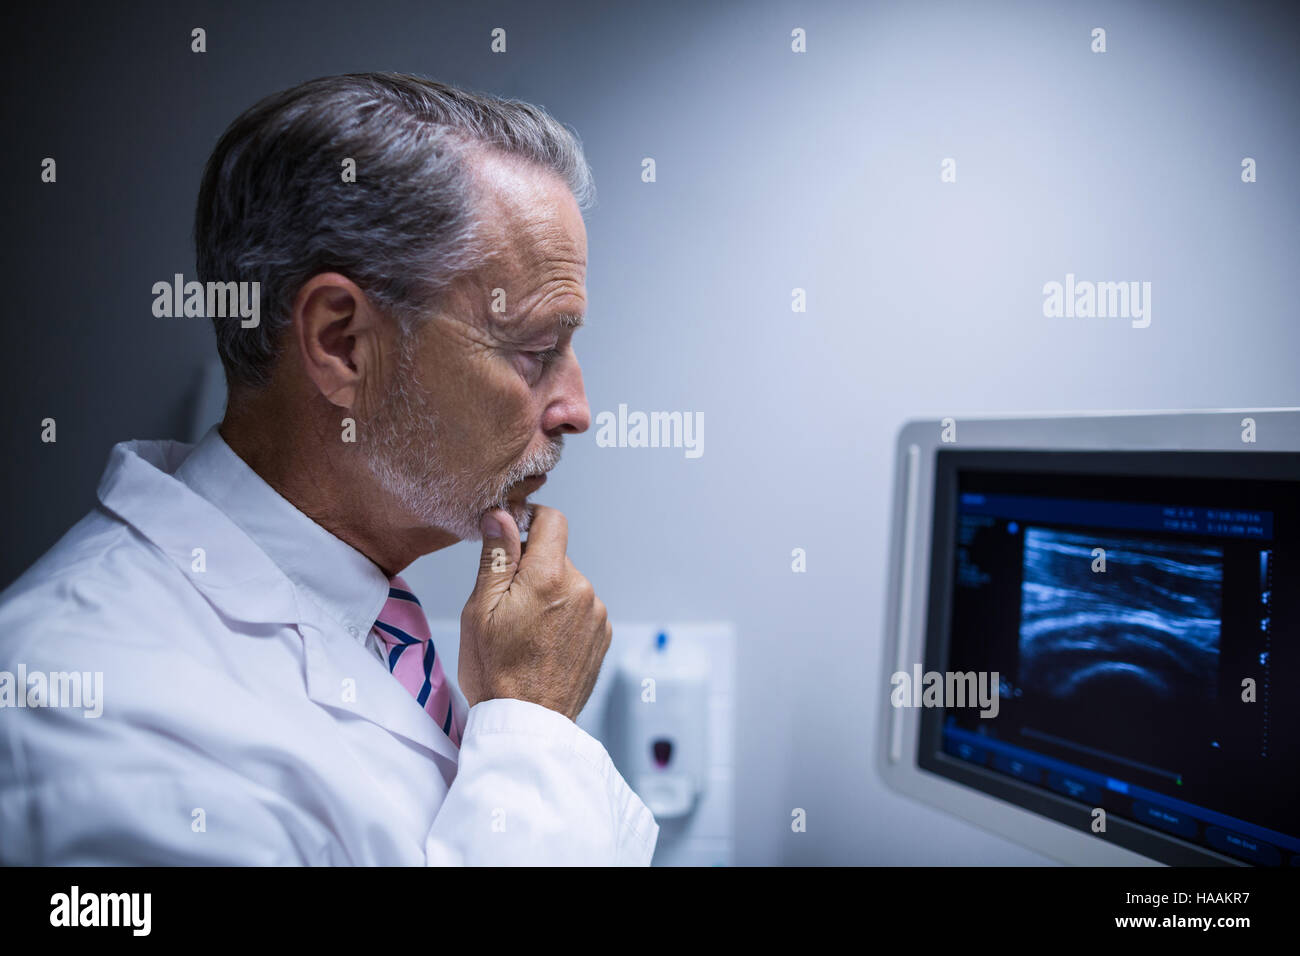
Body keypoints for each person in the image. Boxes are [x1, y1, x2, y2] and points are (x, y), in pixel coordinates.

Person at [0, 72, 658, 865]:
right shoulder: (90, 712)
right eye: (535, 351)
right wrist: (533, 727)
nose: (576, 409)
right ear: (343, 343)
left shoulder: (371, 617)